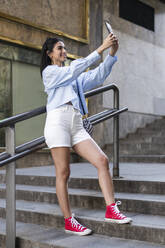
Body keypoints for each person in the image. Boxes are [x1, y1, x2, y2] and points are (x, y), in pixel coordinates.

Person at [40, 34, 132, 236]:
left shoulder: (73, 76)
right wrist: (100, 48)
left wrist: (111, 54)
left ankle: (111, 209)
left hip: (76, 123)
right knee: (63, 172)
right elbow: (75, 69)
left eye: (64, 48)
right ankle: (69, 220)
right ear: (49, 54)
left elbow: (98, 76)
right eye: (59, 48)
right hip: (58, 122)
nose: (63, 51)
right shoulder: (50, 72)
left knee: (101, 160)